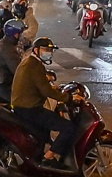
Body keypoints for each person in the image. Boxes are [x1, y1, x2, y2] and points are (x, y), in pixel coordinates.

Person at [10, 35, 75, 165]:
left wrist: (54, 87)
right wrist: (68, 98)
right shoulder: (34, 64)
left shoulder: (30, 62)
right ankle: (49, 157)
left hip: (23, 106)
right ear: (36, 50)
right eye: (45, 49)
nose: (48, 53)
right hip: (29, 109)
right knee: (68, 128)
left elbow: (40, 83)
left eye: (50, 50)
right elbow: (46, 91)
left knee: (43, 131)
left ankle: (38, 157)